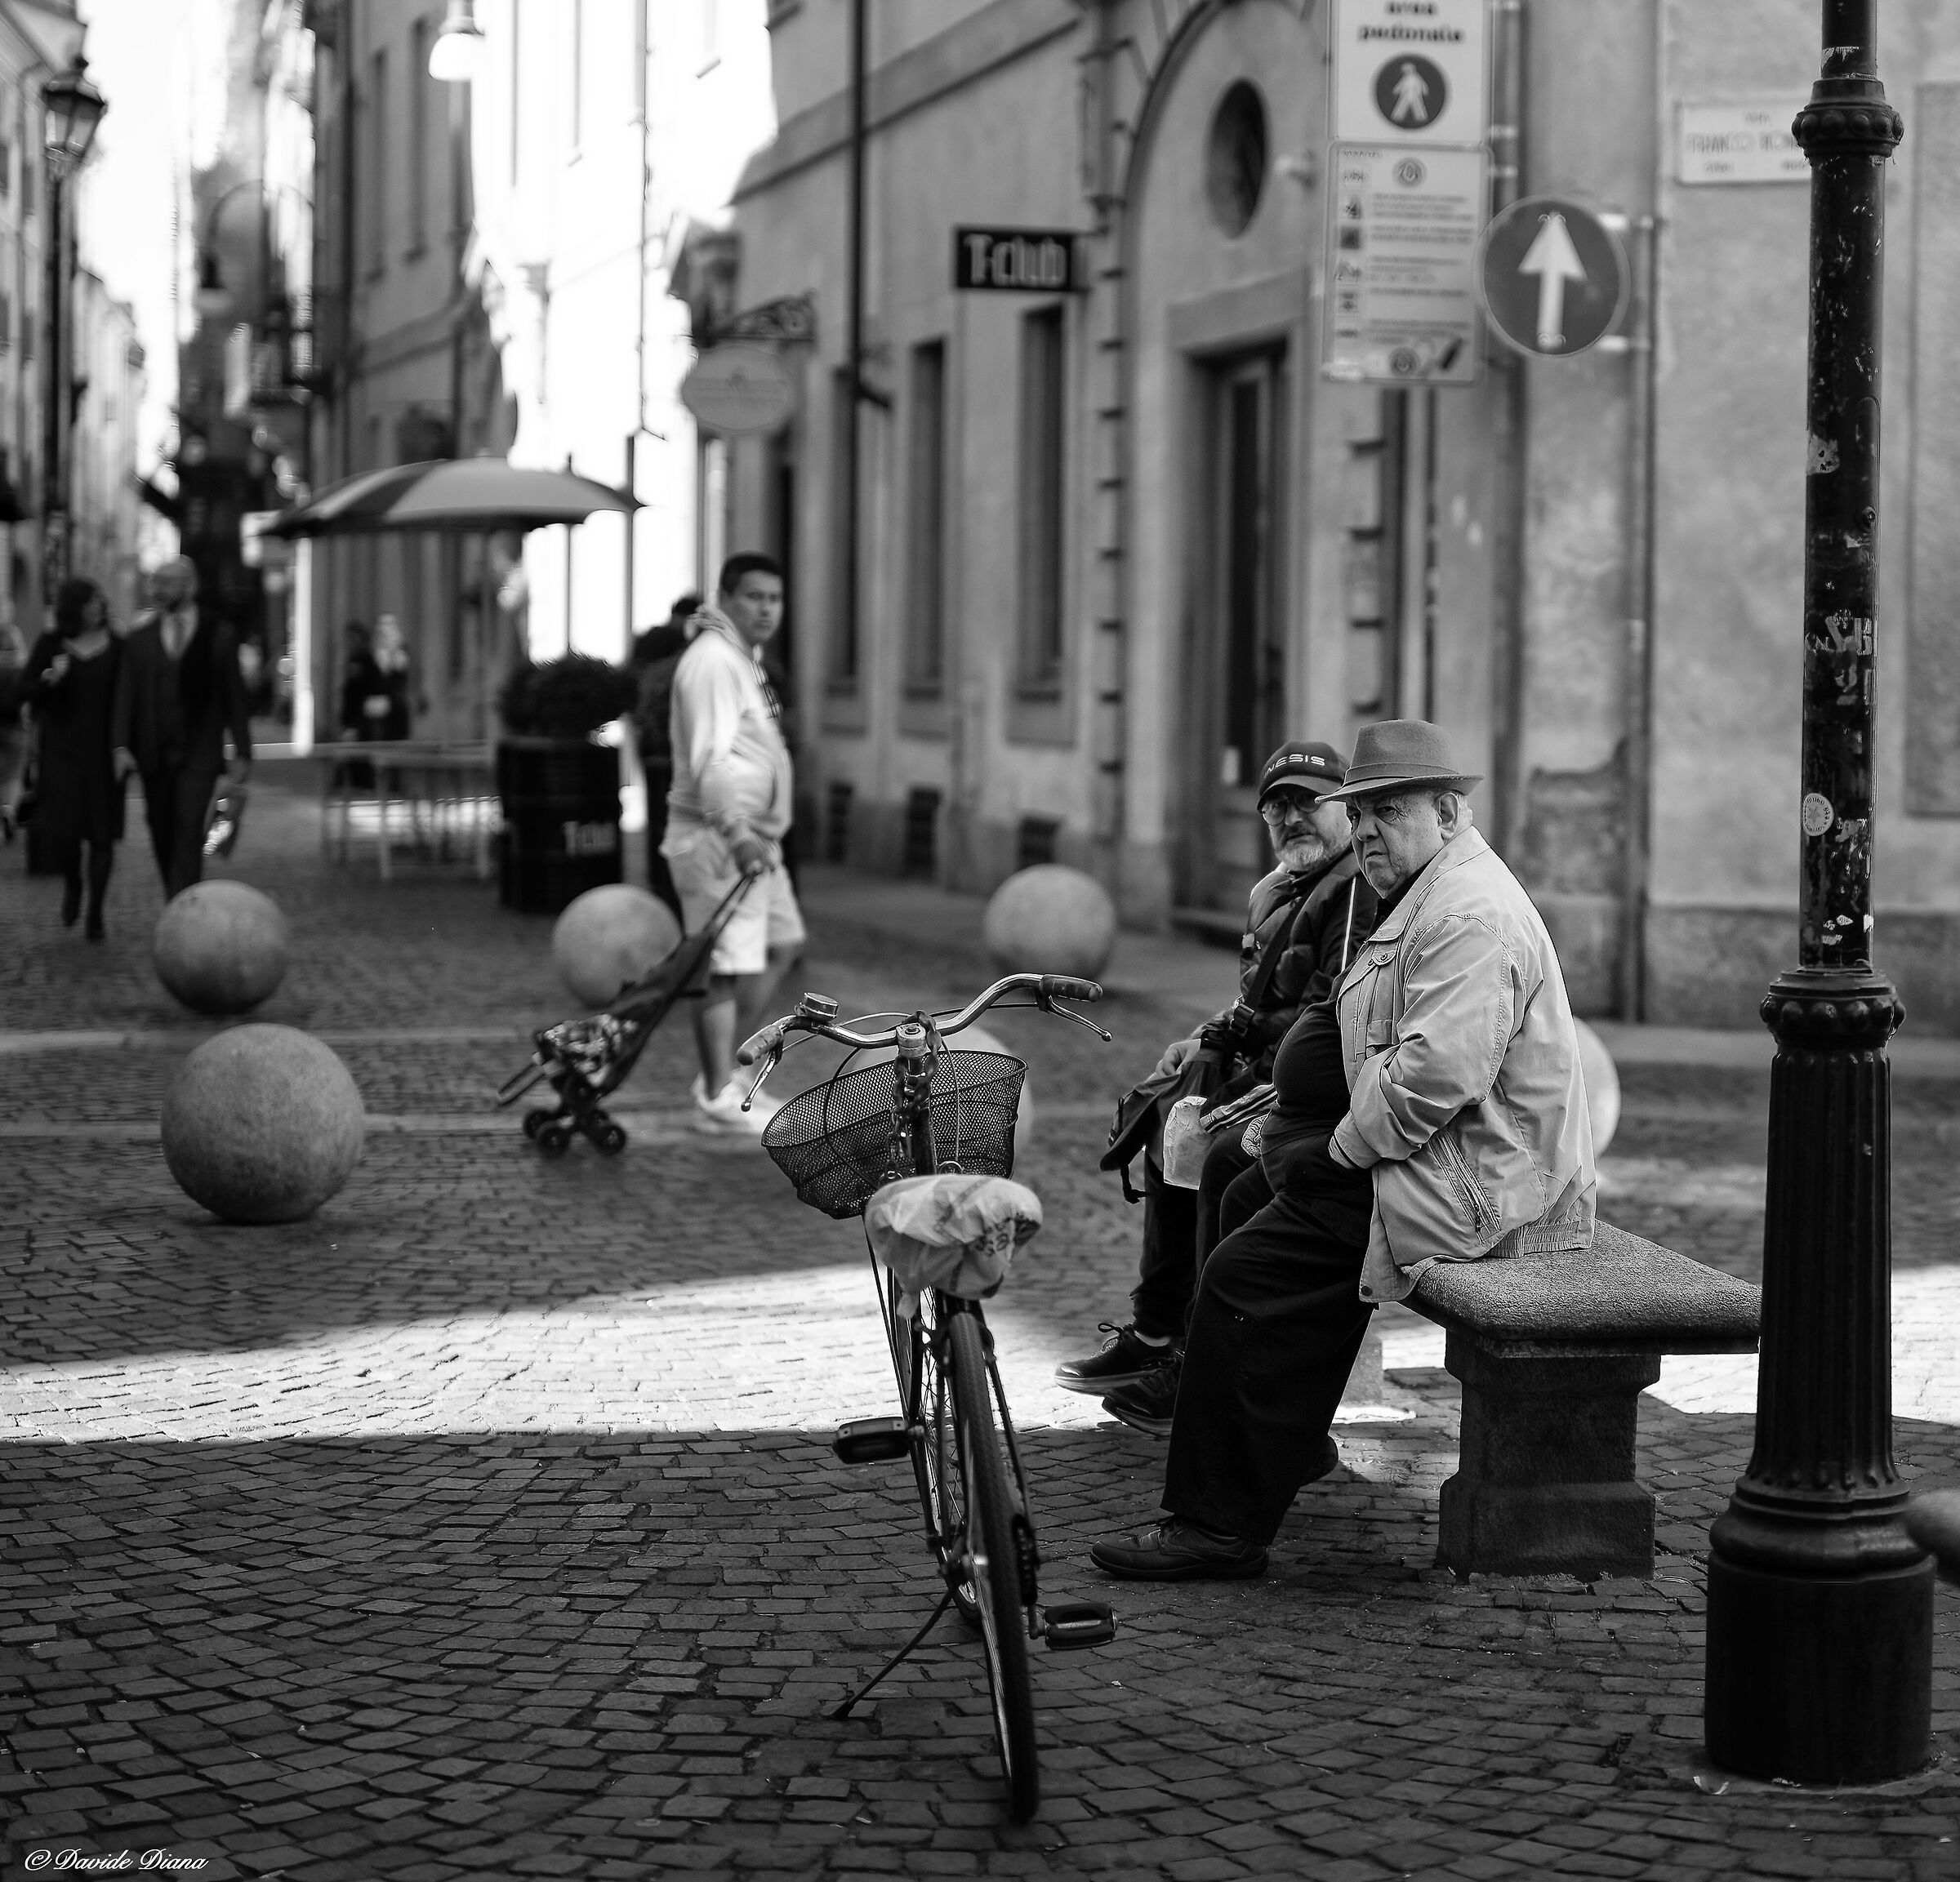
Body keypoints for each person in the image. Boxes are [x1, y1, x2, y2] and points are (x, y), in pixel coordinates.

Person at [1090, 719, 1597, 1582]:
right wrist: (1289, 1115)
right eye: (1359, 812)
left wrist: (1334, 1147)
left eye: (1386, 811)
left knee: (1245, 1277)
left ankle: (1218, 1524)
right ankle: (1280, 1444)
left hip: (1480, 1181)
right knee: (1248, 1191)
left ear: (1447, 811)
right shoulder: (1427, 887)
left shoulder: (1470, 912)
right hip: (1440, 1157)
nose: (1365, 830)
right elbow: (1362, 1029)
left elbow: (1432, 1078)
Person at [1056, 741, 1378, 1413]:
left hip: (1303, 1083)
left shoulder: (1353, 888)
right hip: (1261, 1065)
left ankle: (1197, 1356)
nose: (1291, 818)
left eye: (1307, 802)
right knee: (1166, 1128)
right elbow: (1257, 1002)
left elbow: (1333, 1013)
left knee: (1209, 1145)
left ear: (1344, 809)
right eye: (1276, 807)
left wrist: (1250, 1078)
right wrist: (1199, 1039)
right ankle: (1154, 1330)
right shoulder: (1270, 891)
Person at [663, 553, 806, 1135]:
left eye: (775, 598)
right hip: (719, 841)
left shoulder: (742, 659)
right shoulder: (714, 662)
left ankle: (724, 1073)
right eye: (754, 597)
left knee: (782, 944)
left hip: (753, 844)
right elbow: (709, 757)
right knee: (722, 969)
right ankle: (719, 1091)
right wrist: (738, 831)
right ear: (726, 596)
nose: (767, 608)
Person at [110, 556, 252, 901]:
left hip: (199, 753)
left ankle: (182, 906)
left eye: (167, 582)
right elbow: (124, 697)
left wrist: (244, 752)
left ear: (190, 587)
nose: (158, 590)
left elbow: (234, 697)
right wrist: (120, 747)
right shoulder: (139, 640)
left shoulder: (219, 634)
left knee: (189, 831)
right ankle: (176, 897)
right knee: (161, 830)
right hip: (152, 752)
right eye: (156, 582)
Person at [20, 578, 123, 938]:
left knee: (102, 835)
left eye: (101, 600)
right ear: (75, 607)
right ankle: (73, 883)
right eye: (92, 601)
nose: (100, 606)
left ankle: (95, 912)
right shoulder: (51, 644)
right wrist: (50, 678)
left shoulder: (118, 647)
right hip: (61, 754)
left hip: (104, 755)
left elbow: (130, 702)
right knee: (64, 834)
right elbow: (23, 690)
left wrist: (127, 748)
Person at [628, 590, 702, 917]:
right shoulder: (677, 645)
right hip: (672, 741)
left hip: (648, 732)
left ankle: (661, 873)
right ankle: (671, 876)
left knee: (657, 802)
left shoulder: (649, 639)